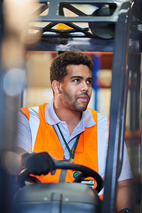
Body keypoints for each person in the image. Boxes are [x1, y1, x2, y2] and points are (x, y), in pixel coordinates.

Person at [17, 51, 135, 213]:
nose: (85, 87)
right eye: (76, 80)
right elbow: (13, 156)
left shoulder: (107, 126)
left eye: (88, 81)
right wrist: (26, 159)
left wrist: (125, 210)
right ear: (56, 86)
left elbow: (123, 184)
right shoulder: (29, 119)